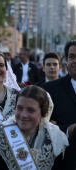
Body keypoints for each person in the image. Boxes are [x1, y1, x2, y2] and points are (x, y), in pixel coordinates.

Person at [0, 85, 68, 170]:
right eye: (19, 108)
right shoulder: (2, 133)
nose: (23, 115)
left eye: (31, 110)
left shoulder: (54, 137)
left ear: (43, 113)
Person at [41, 40, 76, 169]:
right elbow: (41, 128)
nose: (75, 61)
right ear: (66, 60)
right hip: (63, 161)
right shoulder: (49, 89)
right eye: (72, 57)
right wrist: (68, 130)